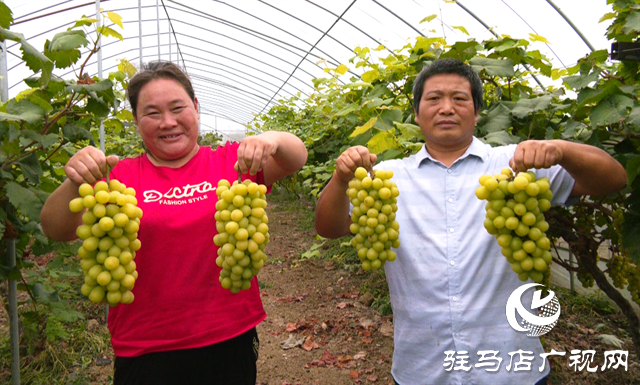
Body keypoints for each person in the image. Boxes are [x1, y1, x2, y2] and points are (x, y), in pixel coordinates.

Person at [314, 58, 627, 385]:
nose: (446, 108)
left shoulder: (517, 165)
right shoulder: (389, 178)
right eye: (433, 99)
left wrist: (561, 150)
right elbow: (329, 227)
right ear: (417, 114)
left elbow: (613, 178)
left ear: (477, 112)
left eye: (460, 99)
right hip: (423, 370)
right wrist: (339, 179)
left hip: (512, 371)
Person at [40, 61, 308, 385]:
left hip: (228, 337)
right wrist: (74, 180)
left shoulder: (233, 162)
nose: (168, 122)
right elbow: (55, 228)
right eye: (152, 113)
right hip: (144, 347)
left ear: (195, 107)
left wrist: (273, 138)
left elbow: (296, 158)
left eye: (178, 108)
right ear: (137, 121)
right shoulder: (117, 177)